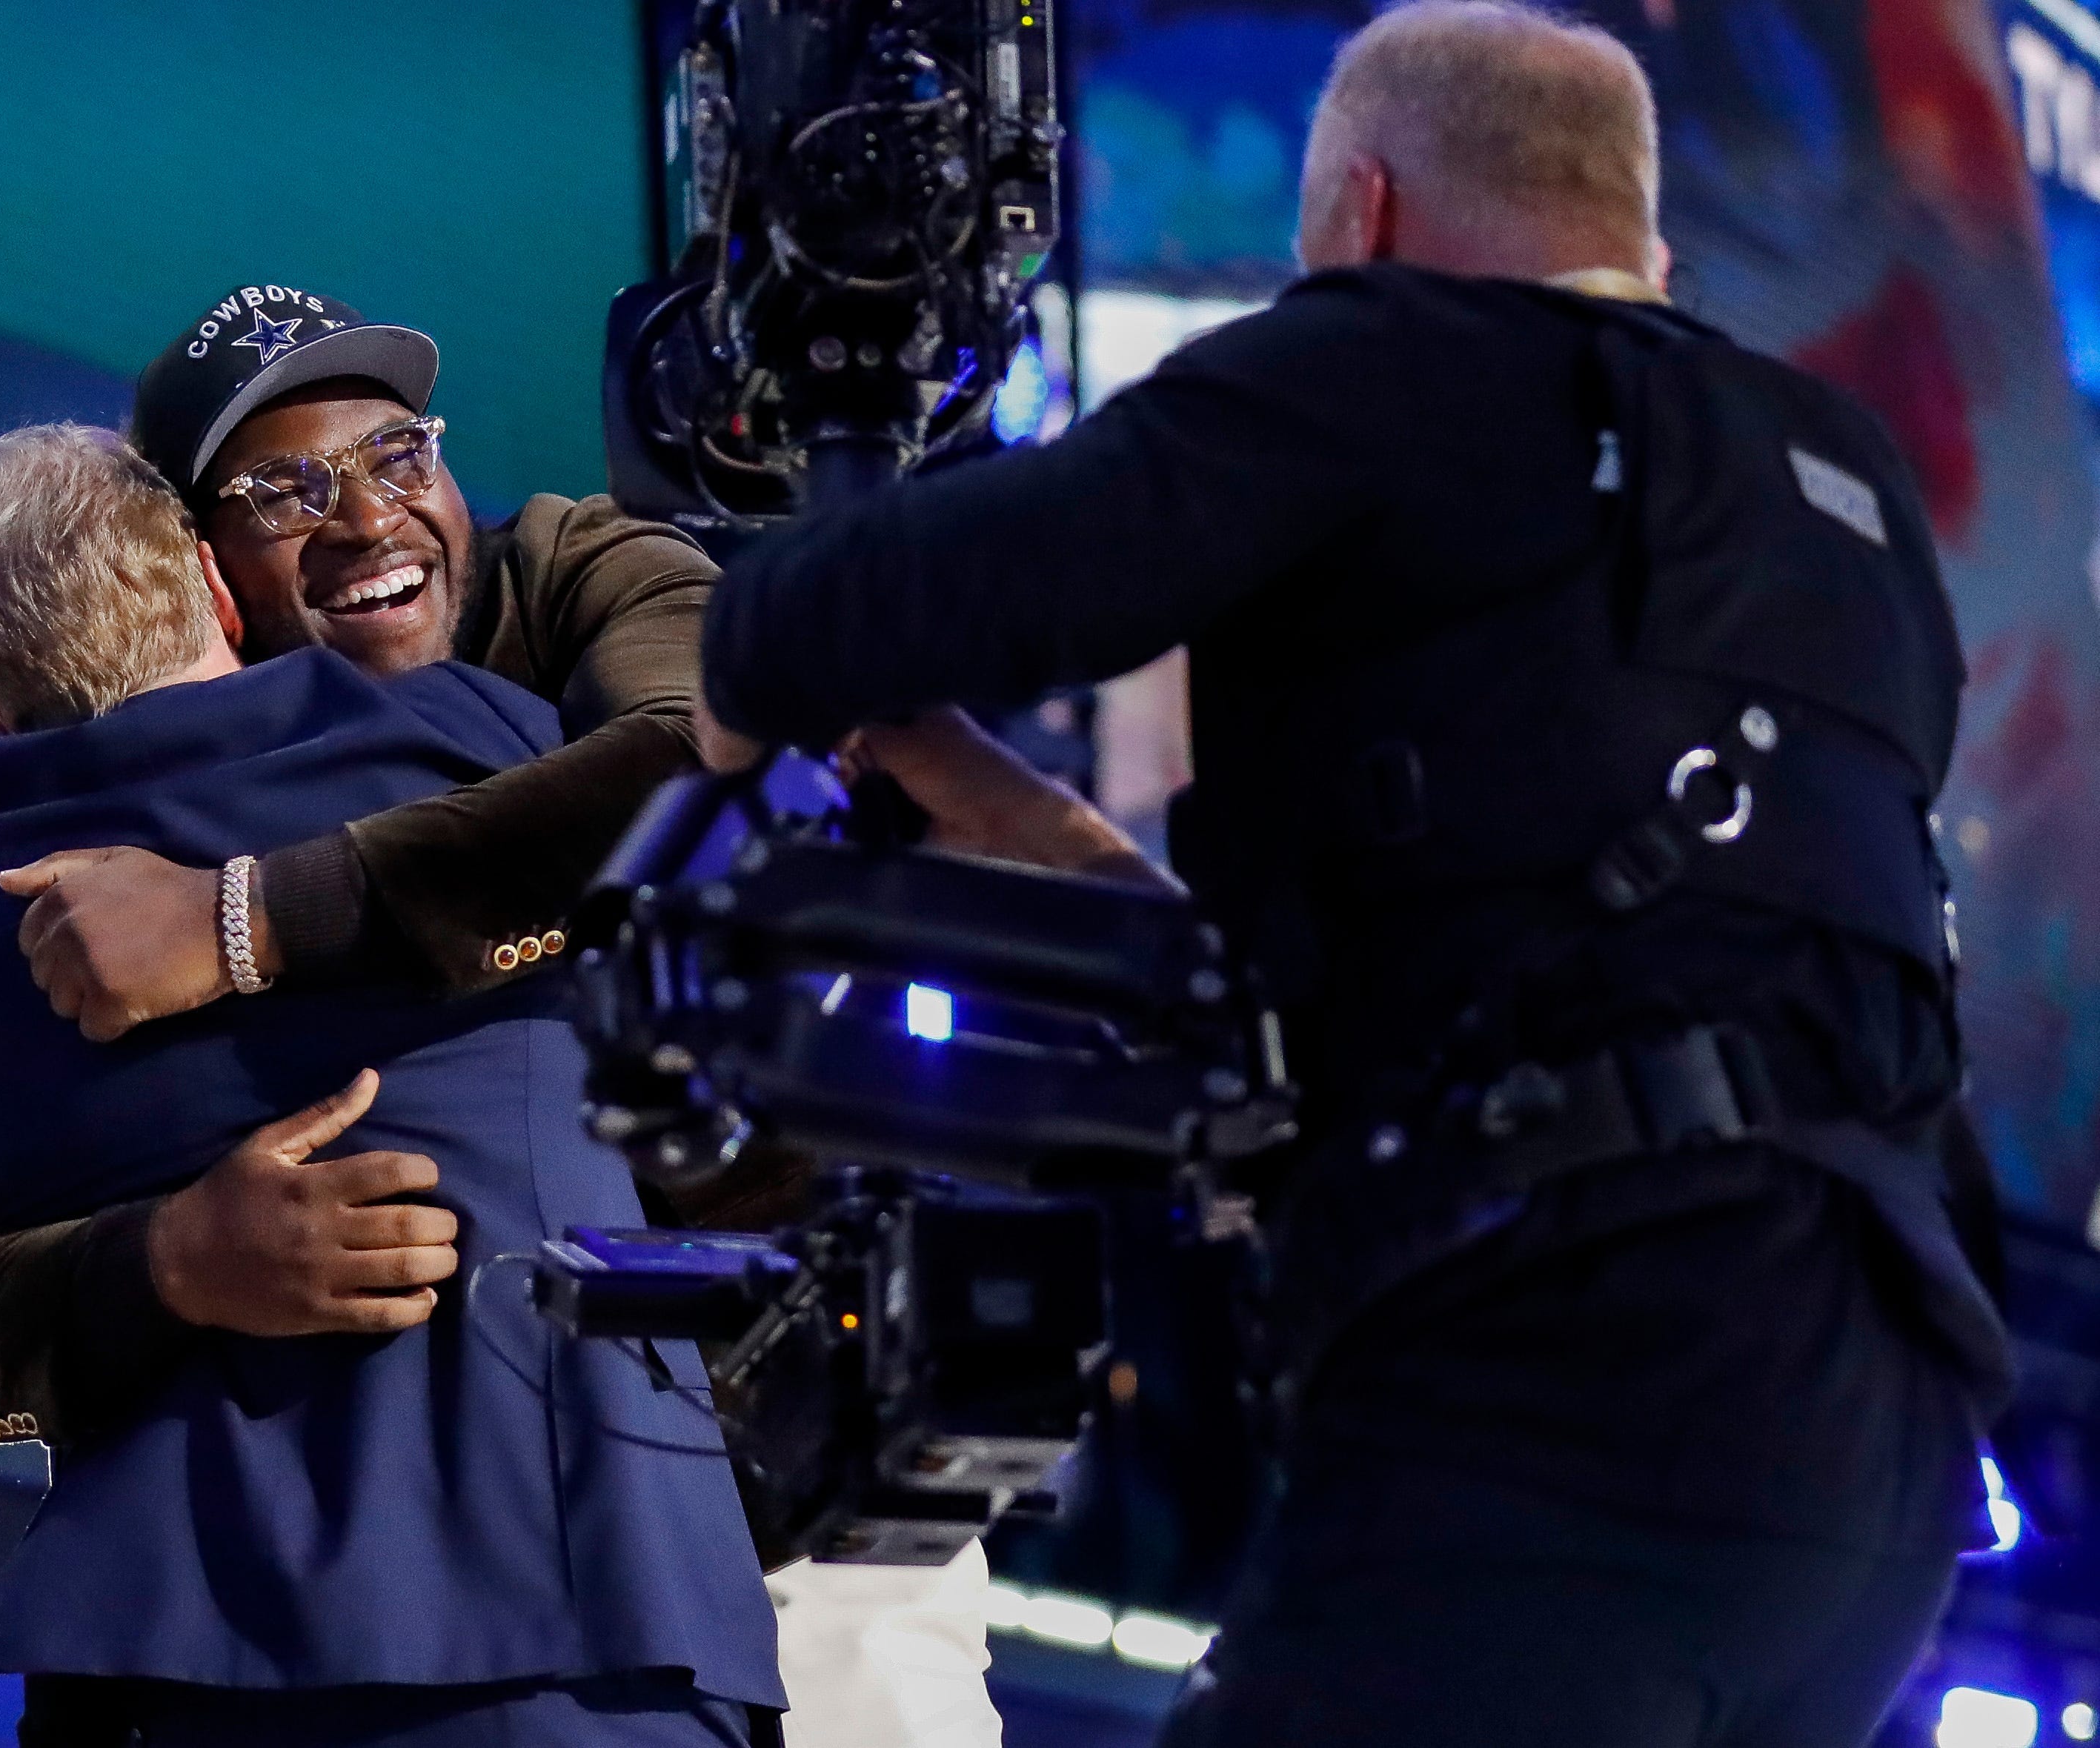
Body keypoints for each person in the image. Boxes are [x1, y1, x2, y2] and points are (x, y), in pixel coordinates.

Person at [694, 6, 2013, 1744]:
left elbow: (861, 606)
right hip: (1877, 1475)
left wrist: (728, 689)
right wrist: (999, 804)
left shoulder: (1384, 357)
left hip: (1555, 1396)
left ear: (1364, 215)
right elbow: (1503, 935)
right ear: (1644, 237)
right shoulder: (1837, 489)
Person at [0, 287, 1006, 1748]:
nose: (370, 520)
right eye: (287, 493)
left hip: (794, 1485)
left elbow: (707, 784)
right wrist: (167, 1260)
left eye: (394, 456)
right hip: (417, 1579)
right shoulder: (92, 837)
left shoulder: (569, 575)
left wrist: (248, 918)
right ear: (206, 572)